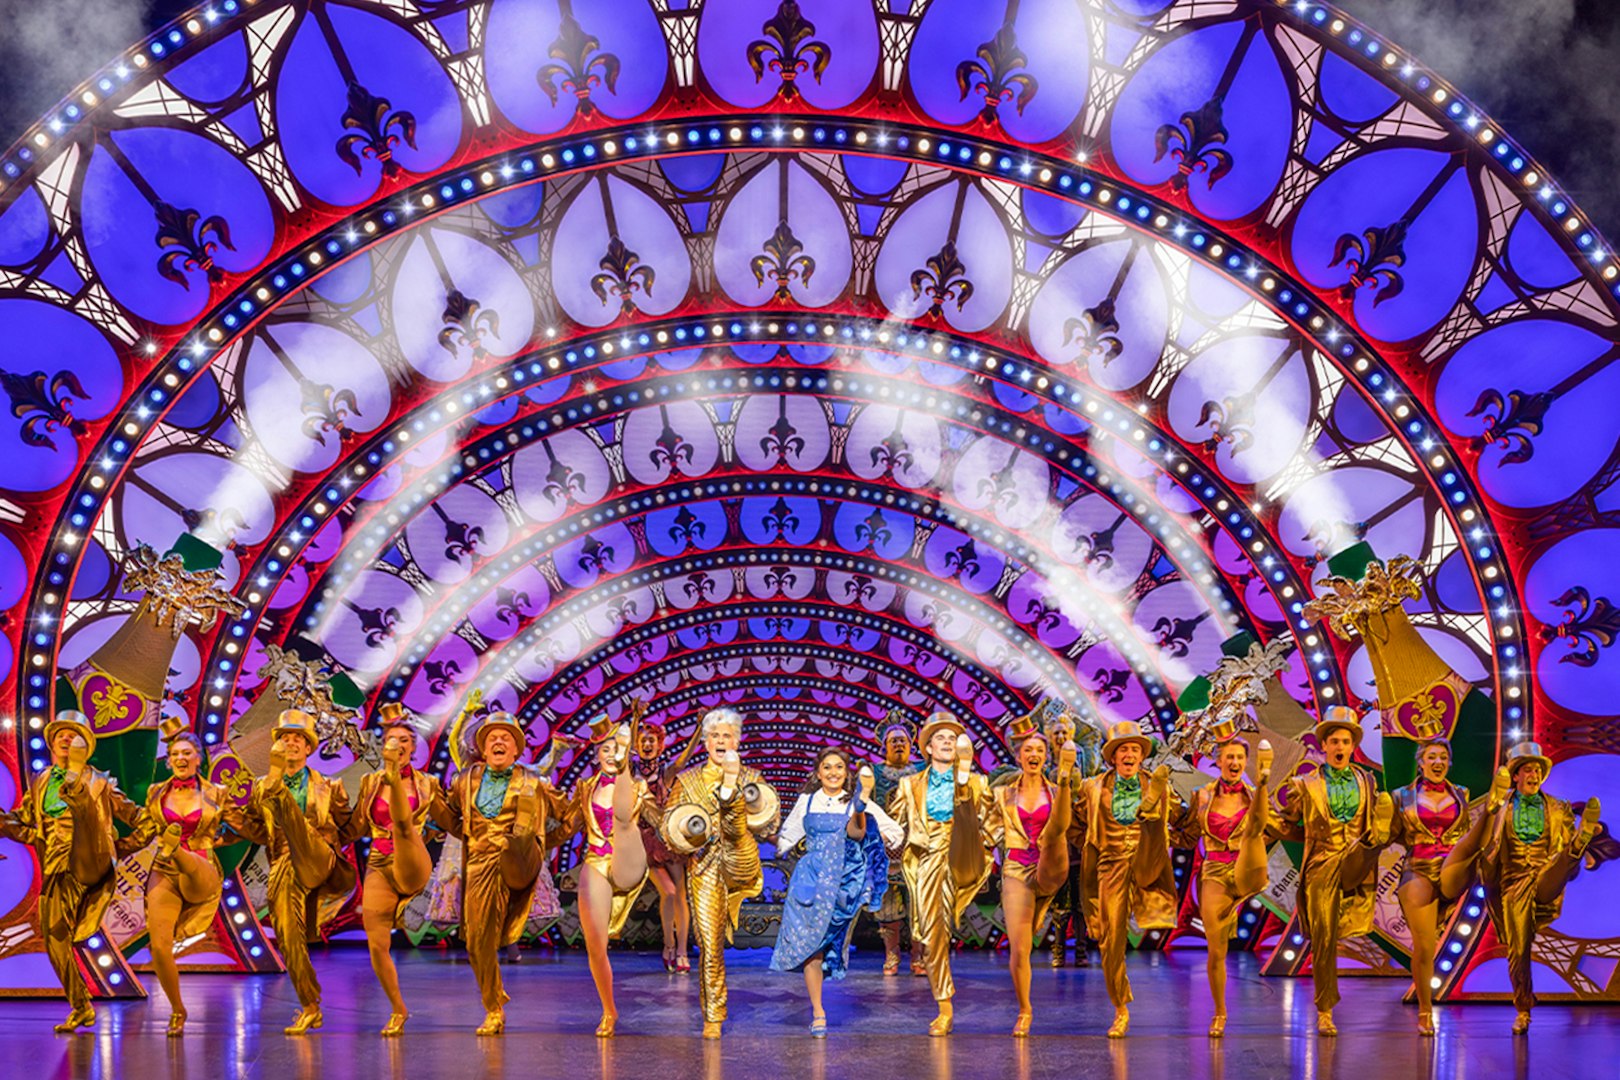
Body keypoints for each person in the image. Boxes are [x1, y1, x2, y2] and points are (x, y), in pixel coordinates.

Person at [0, 710, 142, 1032]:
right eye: (61, 734)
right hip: (55, 867)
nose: (66, 738)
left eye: (74, 734)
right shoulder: (41, 781)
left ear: (86, 746)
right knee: (55, 941)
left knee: (83, 822)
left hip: (89, 856)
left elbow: (135, 815)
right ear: (51, 743)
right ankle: (81, 1007)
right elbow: (23, 821)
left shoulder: (101, 782)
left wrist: (128, 844)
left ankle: (78, 798)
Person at [227, 709, 356, 1035]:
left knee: (297, 824)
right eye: (286, 738)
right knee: (287, 936)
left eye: (298, 738)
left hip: (319, 855)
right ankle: (311, 1005)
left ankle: (289, 811)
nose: (292, 742)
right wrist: (227, 814)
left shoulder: (331, 786)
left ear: (309, 747)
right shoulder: (260, 789)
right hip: (284, 862)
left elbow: (348, 827)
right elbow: (259, 832)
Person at [444, 710, 572, 1035]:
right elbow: (448, 817)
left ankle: (493, 1011)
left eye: (506, 738)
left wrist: (542, 845)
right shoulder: (465, 779)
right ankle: (495, 1001)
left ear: (517, 750)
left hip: (515, 861)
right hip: (477, 864)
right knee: (475, 942)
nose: (498, 742)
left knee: (496, 936)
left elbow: (568, 815)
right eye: (491, 738)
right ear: (483, 749)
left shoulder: (533, 781)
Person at [1460, 741, 1601, 1034]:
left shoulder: (1558, 807)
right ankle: (1523, 1008)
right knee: (1519, 948)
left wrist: (1577, 848)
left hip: (1545, 874)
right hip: (1512, 884)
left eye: (1537, 770)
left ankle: (1580, 840)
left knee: (1562, 857)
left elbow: (1565, 864)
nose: (1534, 775)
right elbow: (1484, 848)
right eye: (1528, 770)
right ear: (1516, 776)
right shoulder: (1500, 810)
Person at [658, 707, 779, 1039]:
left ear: (738, 740)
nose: (721, 740)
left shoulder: (752, 778)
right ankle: (714, 1014)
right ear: (706, 742)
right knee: (709, 943)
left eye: (727, 735)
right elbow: (670, 828)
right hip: (706, 866)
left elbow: (770, 820)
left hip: (740, 860)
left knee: (736, 819)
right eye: (715, 736)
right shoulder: (689, 780)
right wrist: (691, 831)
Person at [1275, 706, 1393, 1036]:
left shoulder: (1368, 781)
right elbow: (1289, 824)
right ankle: (1325, 1008)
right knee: (1324, 938)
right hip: (1321, 865)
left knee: (1372, 841)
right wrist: (1264, 821)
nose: (1340, 747)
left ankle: (1374, 842)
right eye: (1334, 741)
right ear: (1323, 746)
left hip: (1356, 860)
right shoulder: (1305, 784)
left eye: (1345, 741)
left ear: (1353, 746)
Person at [769, 748, 901, 1036]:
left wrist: (883, 841)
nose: (832, 772)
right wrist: (771, 840)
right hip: (810, 878)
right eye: (827, 767)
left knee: (858, 825)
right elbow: (788, 835)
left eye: (839, 767)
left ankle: (861, 806)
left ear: (846, 773)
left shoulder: (845, 800)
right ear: (818, 773)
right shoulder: (807, 800)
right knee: (810, 946)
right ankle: (818, 1011)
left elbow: (894, 832)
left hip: (842, 879)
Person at [119, 716, 234, 1036]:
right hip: (164, 870)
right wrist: (114, 850)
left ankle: (176, 849)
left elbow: (242, 828)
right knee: (159, 947)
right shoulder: (156, 793)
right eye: (175, 755)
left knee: (188, 862)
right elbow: (142, 834)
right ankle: (178, 1009)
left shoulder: (218, 793)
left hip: (202, 868)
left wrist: (222, 838)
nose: (181, 758)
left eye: (187, 753)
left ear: (198, 759)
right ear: (168, 762)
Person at [886, 711, 996, 1036]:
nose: (947, 743)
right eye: (941, 739)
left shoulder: (979, 782)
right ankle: (944, 1005)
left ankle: (960, 794)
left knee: (966, 812)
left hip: (964, 850)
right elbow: (893, 829)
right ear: (929, 748)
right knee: (934, 937)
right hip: (928, 860)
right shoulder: (909, 785)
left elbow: (991, 824)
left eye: (953, 739)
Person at [345, 704, 452, 1036]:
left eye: (405, 740)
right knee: (376, 943)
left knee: (404, 827)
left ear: (413, 748)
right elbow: (356, 826)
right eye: (392, 739)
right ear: (383, 745)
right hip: (380, 861)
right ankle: (398, 1009)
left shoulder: (428, 784)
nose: (399, 745)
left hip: (413, 857)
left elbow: (450, 822)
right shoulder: (369, 783)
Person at [1385, 721, 1496, 1035]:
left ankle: (1493, 809)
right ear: (1420, 762)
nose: (1438, 763)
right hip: (1417, 869)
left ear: (1449, 763)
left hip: (1452, 865)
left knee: (1468, 851)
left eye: (1443, 758)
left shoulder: (1460, 793)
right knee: (1424, 947)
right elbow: (1392, 835)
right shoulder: (1401, 796)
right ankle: (1424, 1010)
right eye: (1431, 757)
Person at [1074, 719, 1181, 1038]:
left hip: (1147, 854)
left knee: (1151, 829)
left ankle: (1147, 812)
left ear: (1142, 756)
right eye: (1124, 749)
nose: (1130, 754)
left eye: (1135, 749)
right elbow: (1077, 822)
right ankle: (1120, 1006)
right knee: (1109, 940)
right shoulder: (1093, 788)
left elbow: (1182, 819)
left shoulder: (1156, 783)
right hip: (1111, 862)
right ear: (1113, 757)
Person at [1171, 722, 1273, 1037]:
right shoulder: (1203, 796)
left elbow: (1264, 826)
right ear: (1218, 760)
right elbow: (1187, 836)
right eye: (1228, 757)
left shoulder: (1255, 795)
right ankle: (1220, 1011)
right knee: (1217, 948)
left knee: (1254, 833)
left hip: (1246, 866)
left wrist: (1265, 785)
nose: (1234, 763)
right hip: (1214, 870)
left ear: (1246, 762)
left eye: (1239, 758)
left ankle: (1249, 889)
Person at [992, 713, 1077, 1036]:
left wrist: (1065, 781)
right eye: (1028, 750)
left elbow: (1067, 825)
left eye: (1039, 751)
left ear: (1047, 757)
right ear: (1018, 755)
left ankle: (1046, 895)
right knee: (1020, 947)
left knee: (1056, 831)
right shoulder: (1003, 795)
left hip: (1050, 864)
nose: (1033, 755)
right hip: (1016, 868)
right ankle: (1025, 1009)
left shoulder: (1056, 792)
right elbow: (988, 828)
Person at [568, 712, 649, 1037]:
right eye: (605, 750)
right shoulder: (585, 787)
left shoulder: (638, 786)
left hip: (628, 858)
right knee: (595, 944)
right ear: (596, 755)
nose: (611, 755)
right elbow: (570, 823)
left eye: (618, 749)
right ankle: (609, 1009)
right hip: (596, 861)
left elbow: (648, 817)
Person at [634, 717, 695, 973]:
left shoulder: (665, 772)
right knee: (668, 892)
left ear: (660, 745)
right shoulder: (630, 771)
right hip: (642, 841)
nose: (647, 744)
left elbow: (684, 759)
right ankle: (668, 944)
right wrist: (635, 716)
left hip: (667, 837)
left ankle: (681, 950)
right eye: (643, 740)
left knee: (681, 895)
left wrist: (700, 728)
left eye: (652, 740)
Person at [869, 713, 925, 976]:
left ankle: (919, 955)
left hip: (916, 846)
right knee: (888, 904)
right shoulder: (874, 772)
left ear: (911, 745)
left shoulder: (923, 770)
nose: (899, 744)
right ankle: (892, 954)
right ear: (885, 746)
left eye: (903, 740)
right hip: (885, 846)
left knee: (919, 903)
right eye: (894, 741)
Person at [1040, 708, 1096, 969]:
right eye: (1056, 733)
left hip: (1080, 839)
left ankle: (1082, 951)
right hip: (1056, 839)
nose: (1061, 737)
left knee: (1081, 898)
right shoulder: (1045, 766)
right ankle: (1059, 949)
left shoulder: (1086, 766)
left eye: (1065, 732)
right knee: (1059, 899)